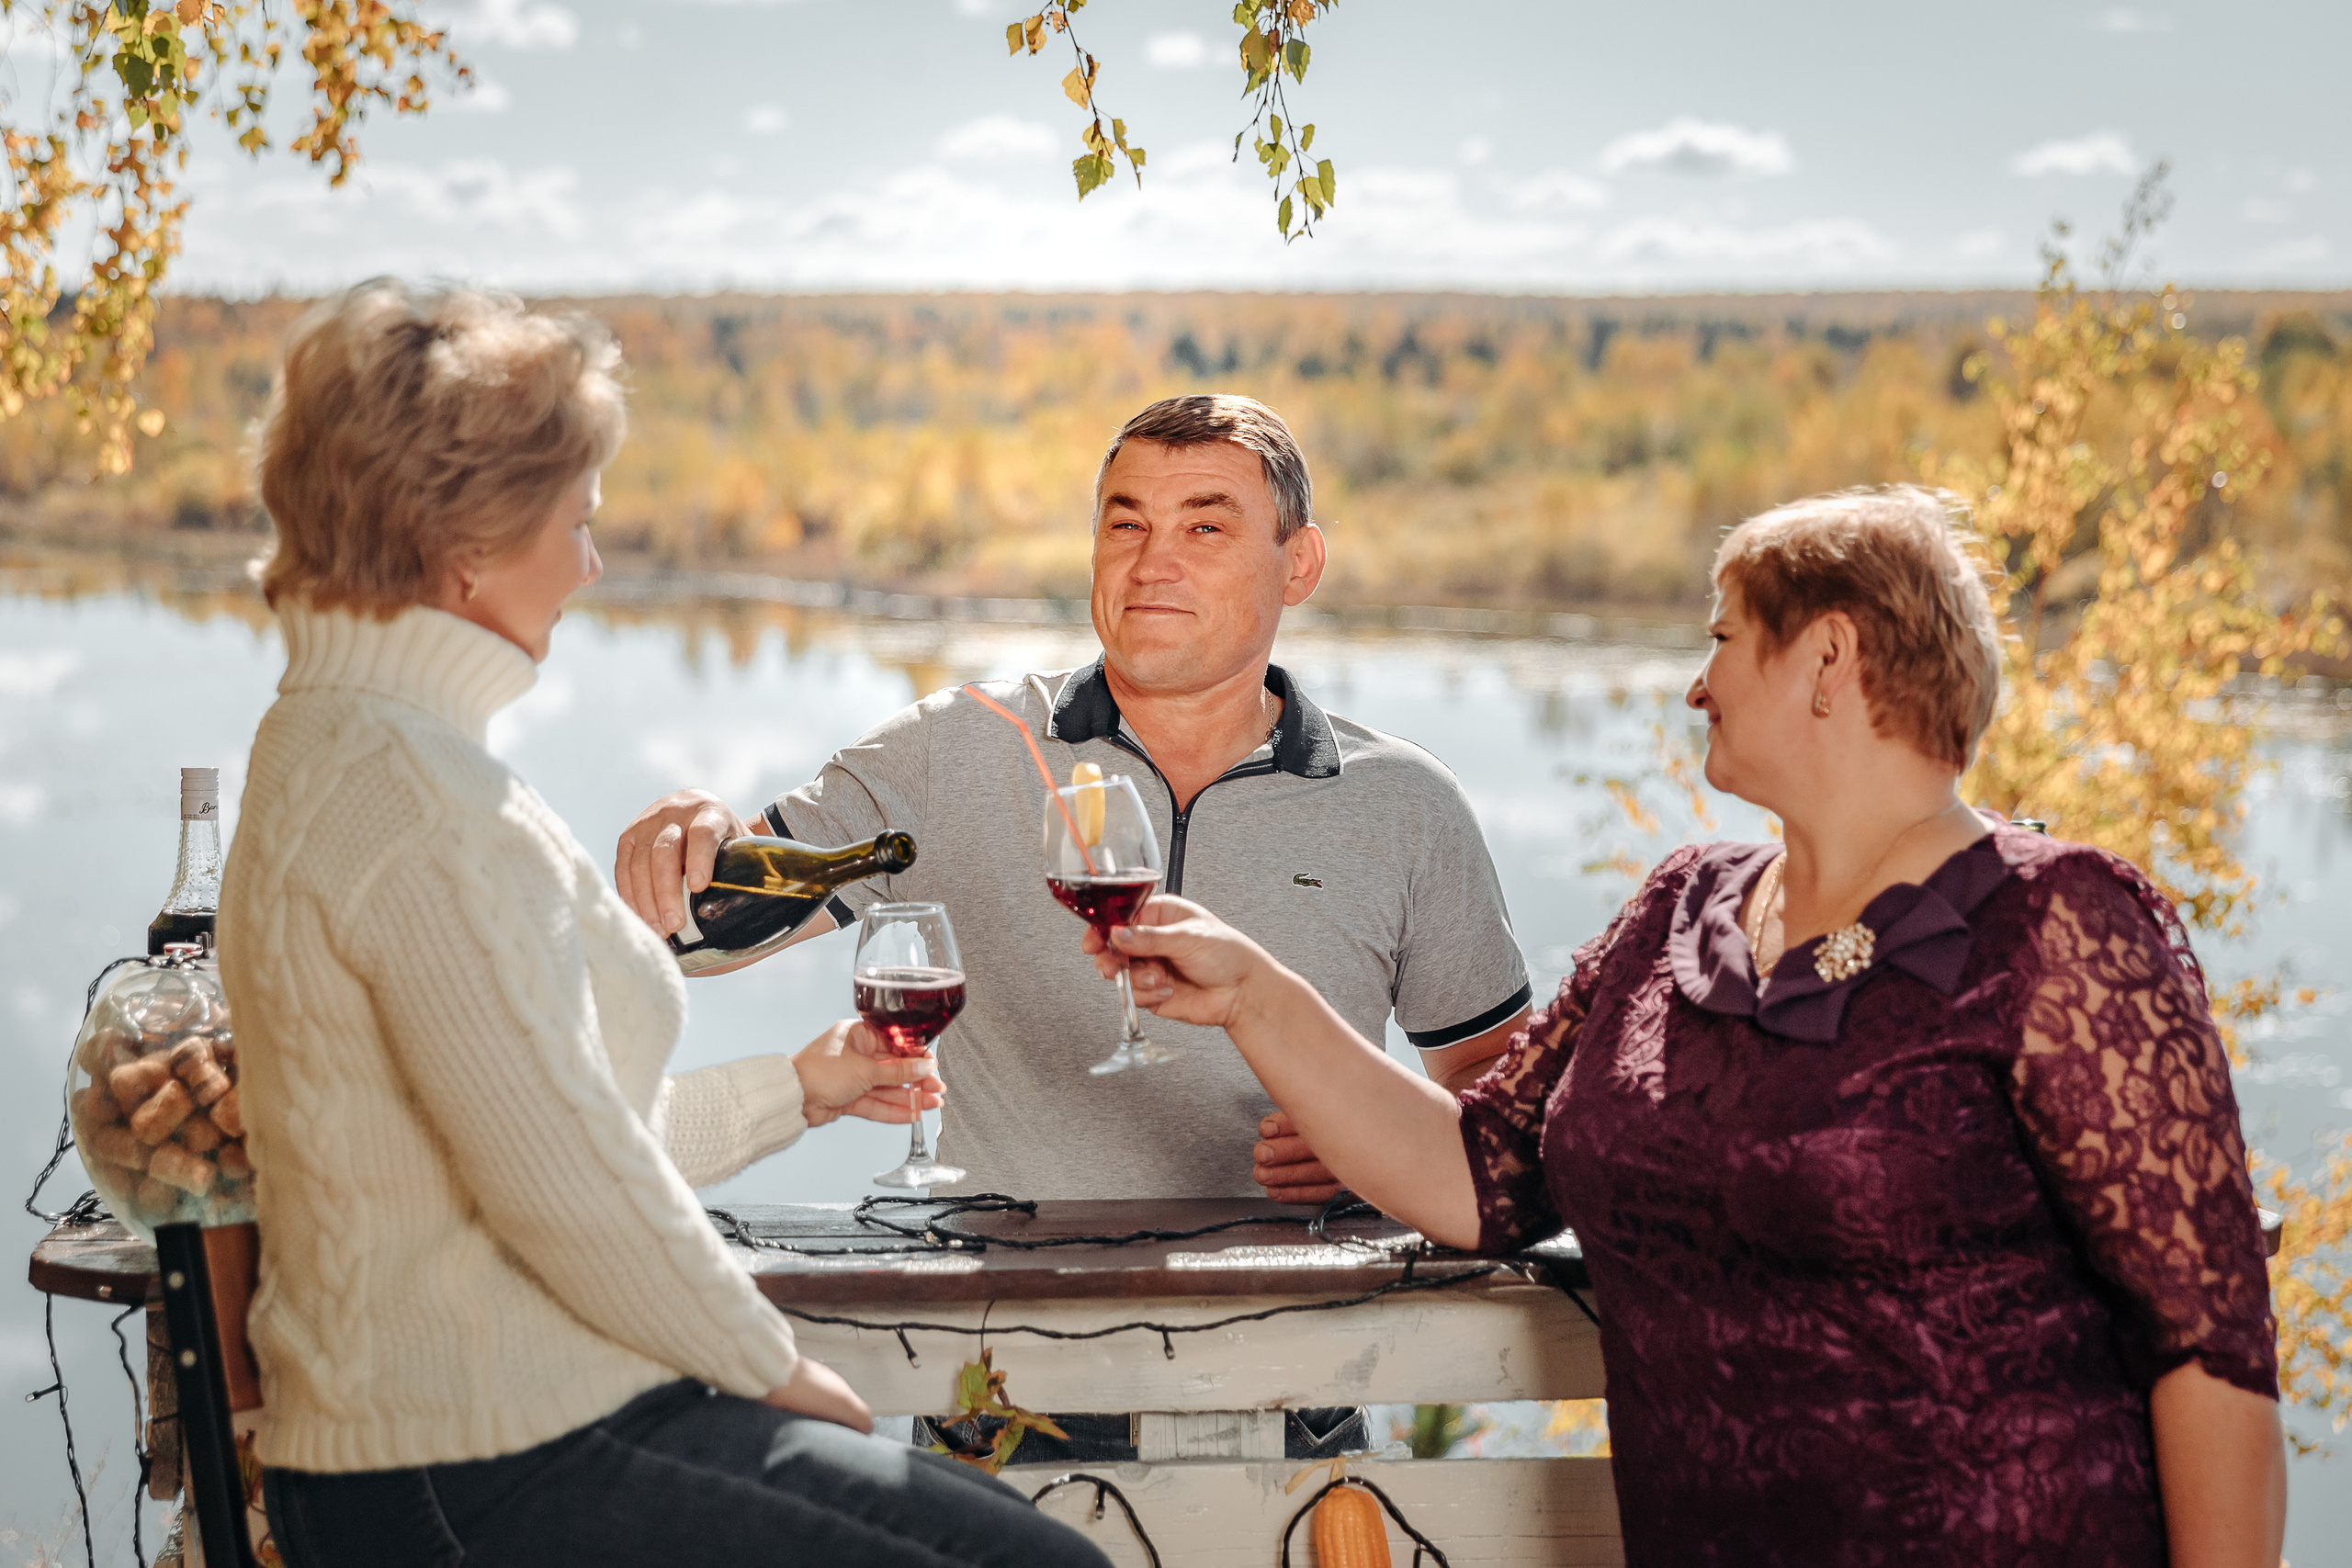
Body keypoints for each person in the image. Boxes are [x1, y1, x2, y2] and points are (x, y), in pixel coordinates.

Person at [1091, 486, 2287, 1567]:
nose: (1695, 683)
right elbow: (1478, 1173)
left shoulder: (2060, 922)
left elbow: (2210, 1344)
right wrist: (1254, 990)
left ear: (1829, 655)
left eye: (1720, 639)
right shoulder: (1679, 906)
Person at [217, 280, 1109, 1568]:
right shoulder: (417, 796)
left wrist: (794, 1091)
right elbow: (563, 1180)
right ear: (462, 543)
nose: (590, 562)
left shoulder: (338, 747)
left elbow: (536, 1120)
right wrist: (774, 1368)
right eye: (574, 521)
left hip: (455, 1448)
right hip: (478, 1466)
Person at [614, 392, 1533, 1465]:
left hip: (1294, 1392)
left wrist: (1377, 1148)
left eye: (1206, 525)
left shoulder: (1407, 805)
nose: (1152, 561)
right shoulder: (956, 747)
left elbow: (1496, 1089)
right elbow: (708, 930)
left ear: (1299, 565)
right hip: (999, 1394)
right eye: (1124, 521)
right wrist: (691, 838)